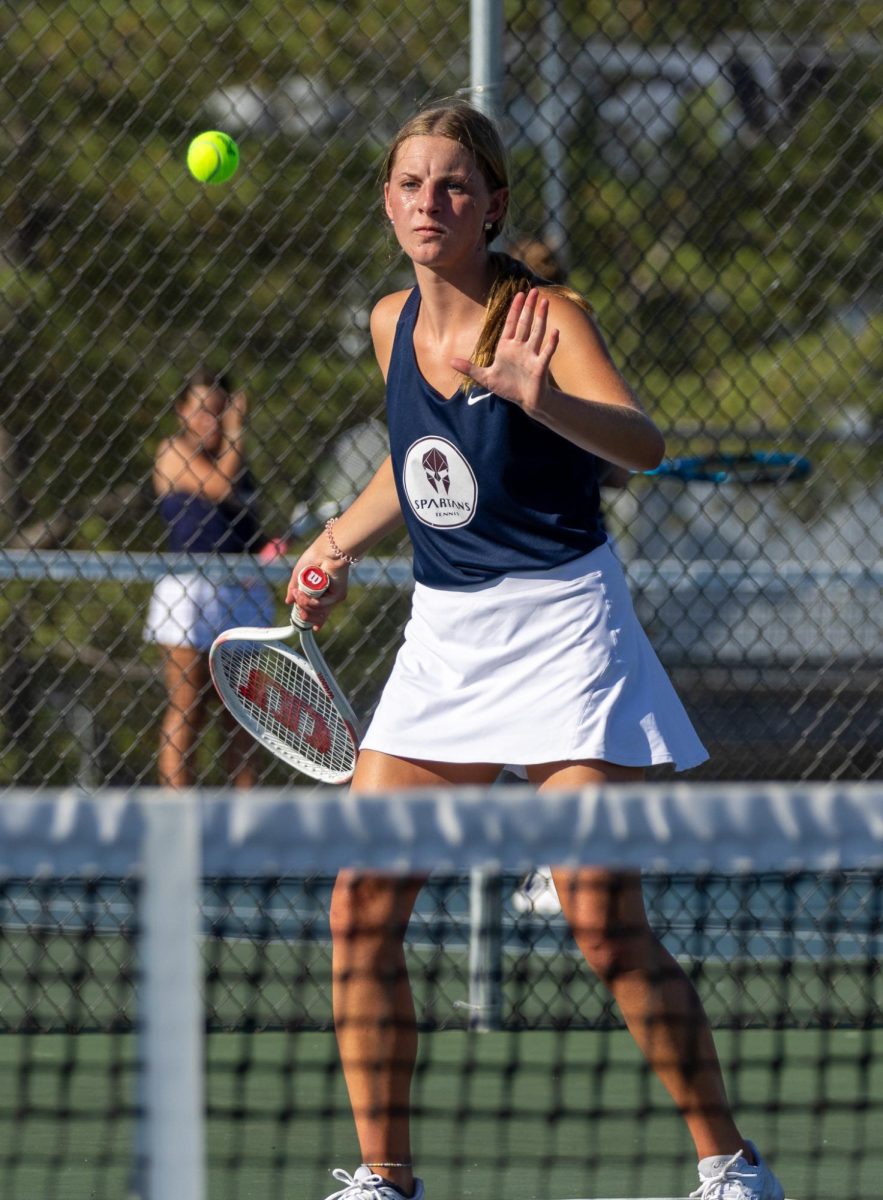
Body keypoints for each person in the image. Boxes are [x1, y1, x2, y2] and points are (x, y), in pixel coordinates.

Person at [286, 102, 784, 1200]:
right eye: (411, 184)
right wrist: (331, 543)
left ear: (491, 204)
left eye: (454, 185)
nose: (431, 203)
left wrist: (544, 398)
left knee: (602, 924)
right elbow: (415, 461)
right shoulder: (385, 325)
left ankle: (727, 1162)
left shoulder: (549, 315)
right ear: (387, 201)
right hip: (444, 640)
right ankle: (383, 1178)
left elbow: (644, 444)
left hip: (565, 630)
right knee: (360, 904)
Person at [144, 367, 275, 788]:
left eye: (220, 412)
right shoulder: (172, 451)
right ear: (182, 412)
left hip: (241, 590)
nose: (211, 421)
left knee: (242, 711)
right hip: (189, 589)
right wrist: (237, 433)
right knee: (188, 703)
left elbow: (247, 528)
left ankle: (245, 823)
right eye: (202, 411)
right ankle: (178, 818)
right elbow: (217, 487)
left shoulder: (240, 464)